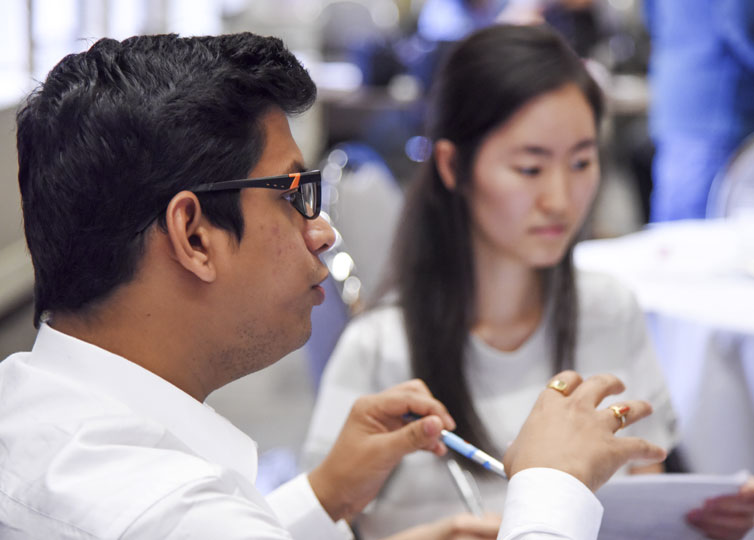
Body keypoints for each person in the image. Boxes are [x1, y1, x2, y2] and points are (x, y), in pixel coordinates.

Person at [0, 32, 666, 540]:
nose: (321, 230)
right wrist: (551, 488)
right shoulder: (173, 511)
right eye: (293, 193)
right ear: (194, 235)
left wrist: (321, 499)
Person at [304, 24, 754, 540]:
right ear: (453, 165)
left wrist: (691, 523)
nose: (561, 199)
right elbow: (323, 520)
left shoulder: (610, 309)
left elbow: (641, 496)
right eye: (529, 168)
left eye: (582, 162)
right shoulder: (379, 347)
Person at [645, 0, 754, 221]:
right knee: (702, 236)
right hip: (718, 103)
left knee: (678, 230)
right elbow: (738, 23)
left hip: (679, 95)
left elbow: (652, 18)